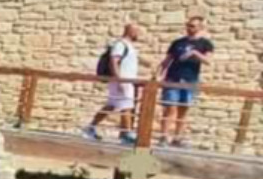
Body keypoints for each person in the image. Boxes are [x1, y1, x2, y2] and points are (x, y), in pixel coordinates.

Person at [156, 16, 214, 147]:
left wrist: (194, 53)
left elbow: (208, 61)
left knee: (183, 109)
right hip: (173, 78)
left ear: (200, 27)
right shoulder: (178, 42)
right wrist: (158, 75)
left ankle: (177, 138)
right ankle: (164, 137)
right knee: (170, 107)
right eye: (188, 25)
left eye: (193, 26)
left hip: (190, 80)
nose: (189, 28)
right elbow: (167, 60)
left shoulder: (205, 43)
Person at [83, 23, 142, 144]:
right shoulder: (121, 45)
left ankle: (90, 127)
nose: (138, 34)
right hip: (122, 80)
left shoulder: (128, 46)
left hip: (125, 80)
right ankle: (127, 134)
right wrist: (119, 79)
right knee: (126, 106)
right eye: (137, 31)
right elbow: (114, 62)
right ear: (130, 31)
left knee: (111, 105)